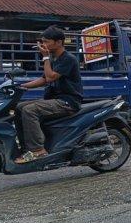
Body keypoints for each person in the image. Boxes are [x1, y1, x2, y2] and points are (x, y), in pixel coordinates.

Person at [14, 26, 83, 164]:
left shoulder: (68, 59)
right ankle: (26, 148)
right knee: (19, 107)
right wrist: (21, 86)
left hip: (67, 102)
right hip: (54, 100)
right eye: (42, 41)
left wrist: (45, 57)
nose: (43, 45)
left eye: (46, 41)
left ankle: (38, 150)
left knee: (30, 110)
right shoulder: (53, 59)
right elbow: (44, 79)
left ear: (58, 42)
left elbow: (50, 77)